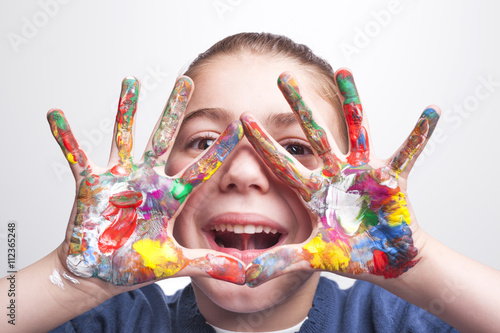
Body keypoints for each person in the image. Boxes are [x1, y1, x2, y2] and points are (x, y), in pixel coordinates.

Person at [1, 32, 499, 333]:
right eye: (204, 143)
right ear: (159, 176)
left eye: (296, 149)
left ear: (353, 193)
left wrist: (417, 262)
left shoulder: (398, 321)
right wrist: (69, 281)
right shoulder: (107, 321)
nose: (242, 173)